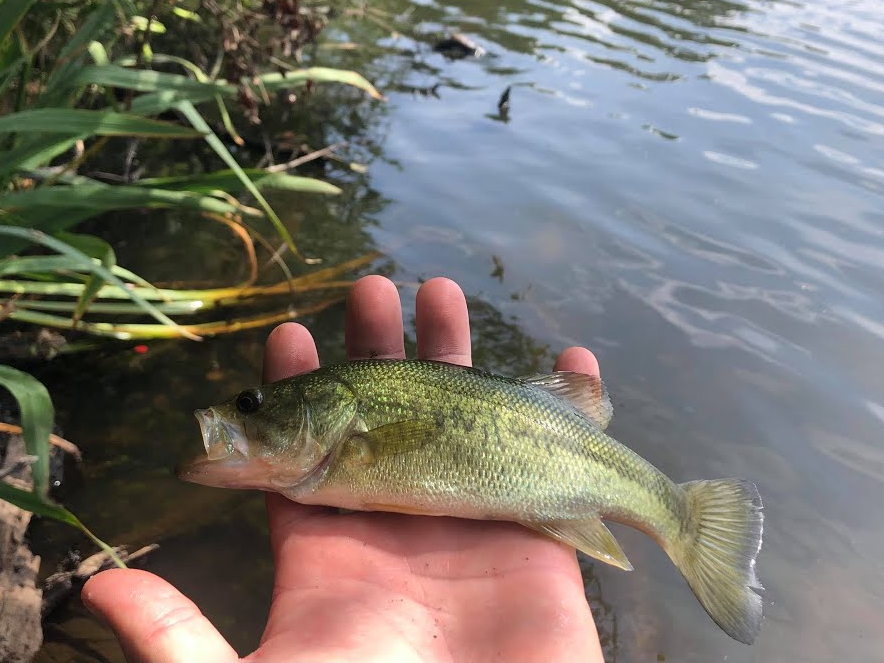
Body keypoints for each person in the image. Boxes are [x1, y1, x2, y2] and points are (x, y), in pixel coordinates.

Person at [82, 276, 606, 662]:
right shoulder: (321, 460)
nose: (234, 416)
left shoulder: (346, 440)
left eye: (249, 405)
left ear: (329, 407)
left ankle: (675, 512)